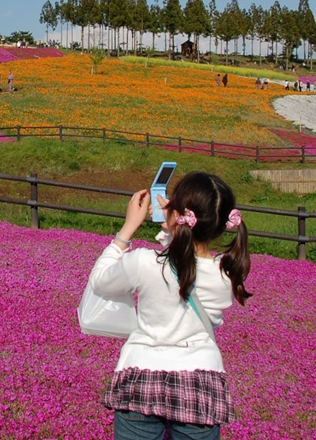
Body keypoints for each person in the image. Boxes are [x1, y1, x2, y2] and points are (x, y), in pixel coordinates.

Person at [88, 172, 251, 439]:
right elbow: (185, 264)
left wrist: (127, 229)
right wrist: (173, 225)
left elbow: (100, 281)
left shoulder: (144, 262)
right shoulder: (227, 277)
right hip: (200, 383)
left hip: (141, 375)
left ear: (178, 215)